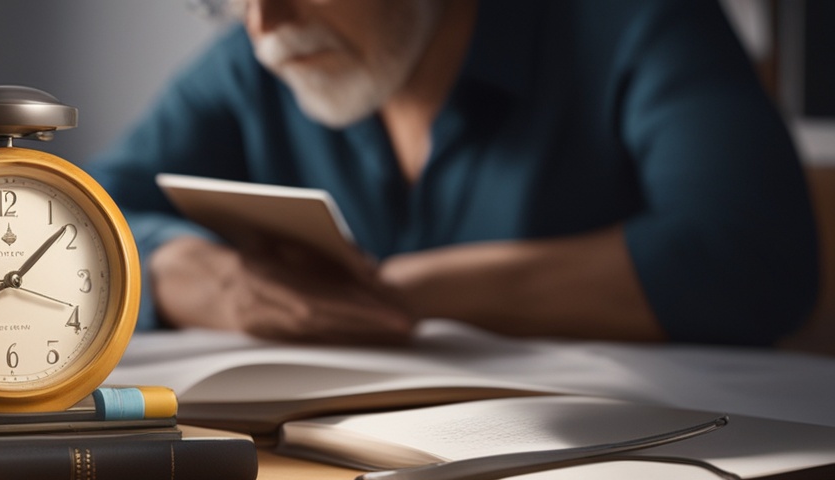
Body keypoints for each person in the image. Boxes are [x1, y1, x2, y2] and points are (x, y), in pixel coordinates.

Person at [87, 0, 819, 346]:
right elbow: (73, 223)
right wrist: (198, 275)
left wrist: (407, 291)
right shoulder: (254, 66)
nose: (263, 23)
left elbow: (754, 257)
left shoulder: (638, 22)